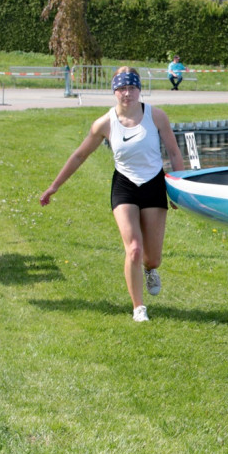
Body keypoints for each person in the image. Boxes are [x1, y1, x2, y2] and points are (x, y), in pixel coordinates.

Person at [40, 67, 185, 323]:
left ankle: (150, 270)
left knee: (153, 257)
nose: (126, 93)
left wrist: (179, 191)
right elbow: (79, 155)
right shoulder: (104, 123)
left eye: (131, 88)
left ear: (139, 90)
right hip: (125, 186)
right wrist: (54, 186)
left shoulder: (157, 116)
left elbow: (174, 153)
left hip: (153, 184)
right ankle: (138, 308)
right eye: (121, 88)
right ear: (114, 91)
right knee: (134, 249)